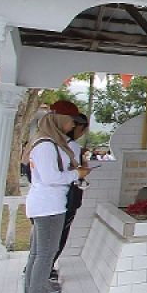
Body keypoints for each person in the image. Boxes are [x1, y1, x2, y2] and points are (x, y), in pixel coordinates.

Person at [22, 107, 91, 293]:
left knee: (39, 253)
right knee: (44, 253)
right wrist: (75, 174)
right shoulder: (45, 146)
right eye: (70, 121)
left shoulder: (51, 144)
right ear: (59, 121)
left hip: (49, 204)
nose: (72, 126)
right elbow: (51, 178)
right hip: (48, 205)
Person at [50, 100, 90, 278]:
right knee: (57, 237)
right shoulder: (70, 146)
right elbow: (74, 173)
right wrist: (81, 171)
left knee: (46, 242)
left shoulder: (49, 142)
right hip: (64, 198)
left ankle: (41, 271)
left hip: (50, 200)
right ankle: (45, 271)